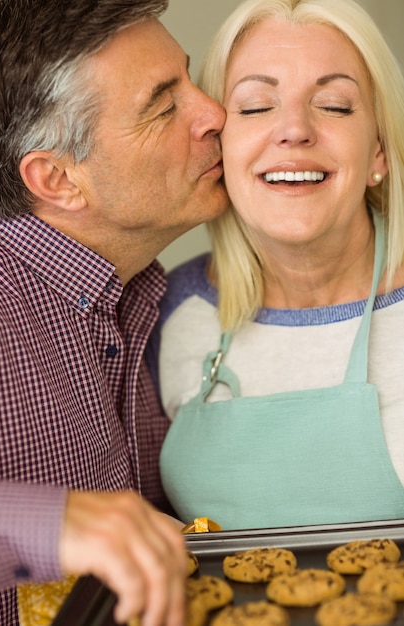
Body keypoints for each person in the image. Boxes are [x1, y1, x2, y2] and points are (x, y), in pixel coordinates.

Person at [0, 0, 229, 624]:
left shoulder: (143, 295)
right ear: (59, 180)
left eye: (190, 80)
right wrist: (57, 523)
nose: (215, 114)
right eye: (164, 105)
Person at [151, 0, 404, 532]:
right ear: (218, 146)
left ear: (378, 152)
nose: (294, 130)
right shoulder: (165, 311)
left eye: (334, 105)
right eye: (255, 106)